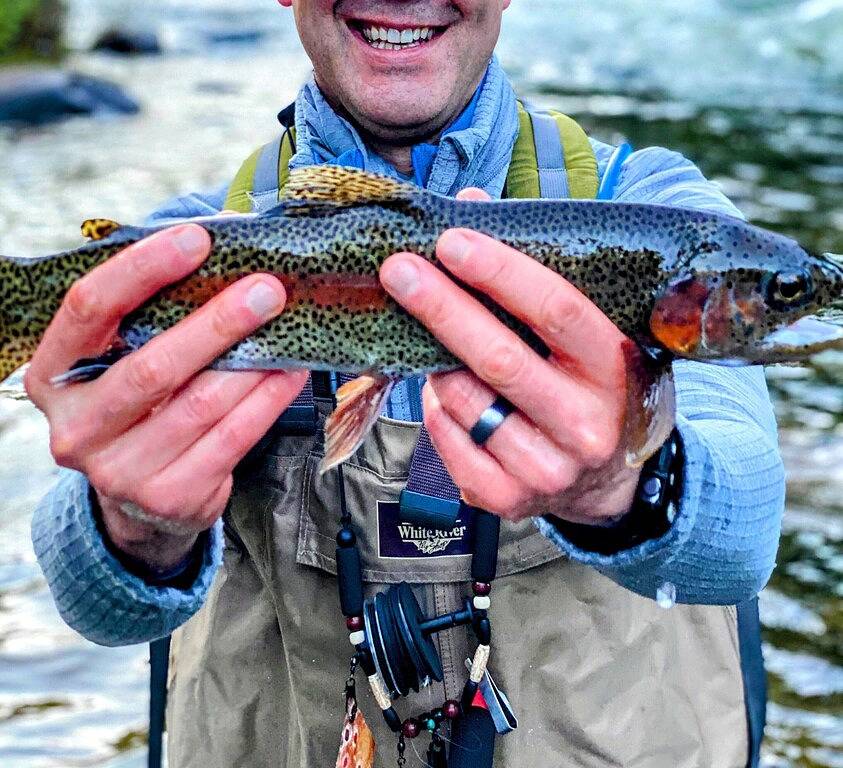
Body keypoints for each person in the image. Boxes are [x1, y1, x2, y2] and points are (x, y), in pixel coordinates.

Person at [29, 1, 784, 766]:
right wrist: (131, 528)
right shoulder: (189, 252)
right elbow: (91, 604)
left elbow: (744, 531)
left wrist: (623, 491)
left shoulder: (658, 220)